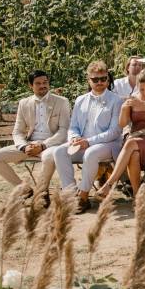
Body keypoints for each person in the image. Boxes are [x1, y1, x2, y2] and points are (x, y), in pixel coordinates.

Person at [41, 61, 123, 214]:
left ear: (108, 79)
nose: (100, 82)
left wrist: (89, 141)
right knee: (59, 151)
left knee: (92, 153)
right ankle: (71, 194)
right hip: (83, 142)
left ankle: (83, 197)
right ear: (88, 80)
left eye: (103, 79)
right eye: (95, 79)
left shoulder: (116, 100)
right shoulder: (81, 100)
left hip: (108, 144)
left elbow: (115, 131)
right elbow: (73, 126)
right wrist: (74, 137)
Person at [0, 70, 70, 188]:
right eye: (38, 83)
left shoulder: (62, 101)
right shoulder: (24, 103)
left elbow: (64, 130)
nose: (43, 85)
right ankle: (23, 189)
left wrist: (43, 145)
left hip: (51, 145)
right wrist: (24, 146)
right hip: (29, 145)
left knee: (48, 156)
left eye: (45, 82)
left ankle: (42, 192)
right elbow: (17, 131)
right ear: (31, 85)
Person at [98, 69, 145, 199]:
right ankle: (137, 196)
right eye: (142, 89)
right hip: (135, 139)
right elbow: (122, 124)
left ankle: (110, 183)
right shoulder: (131, 100)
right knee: (133, 155)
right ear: (137, 86)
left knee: (130, 143)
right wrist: (123, 108)